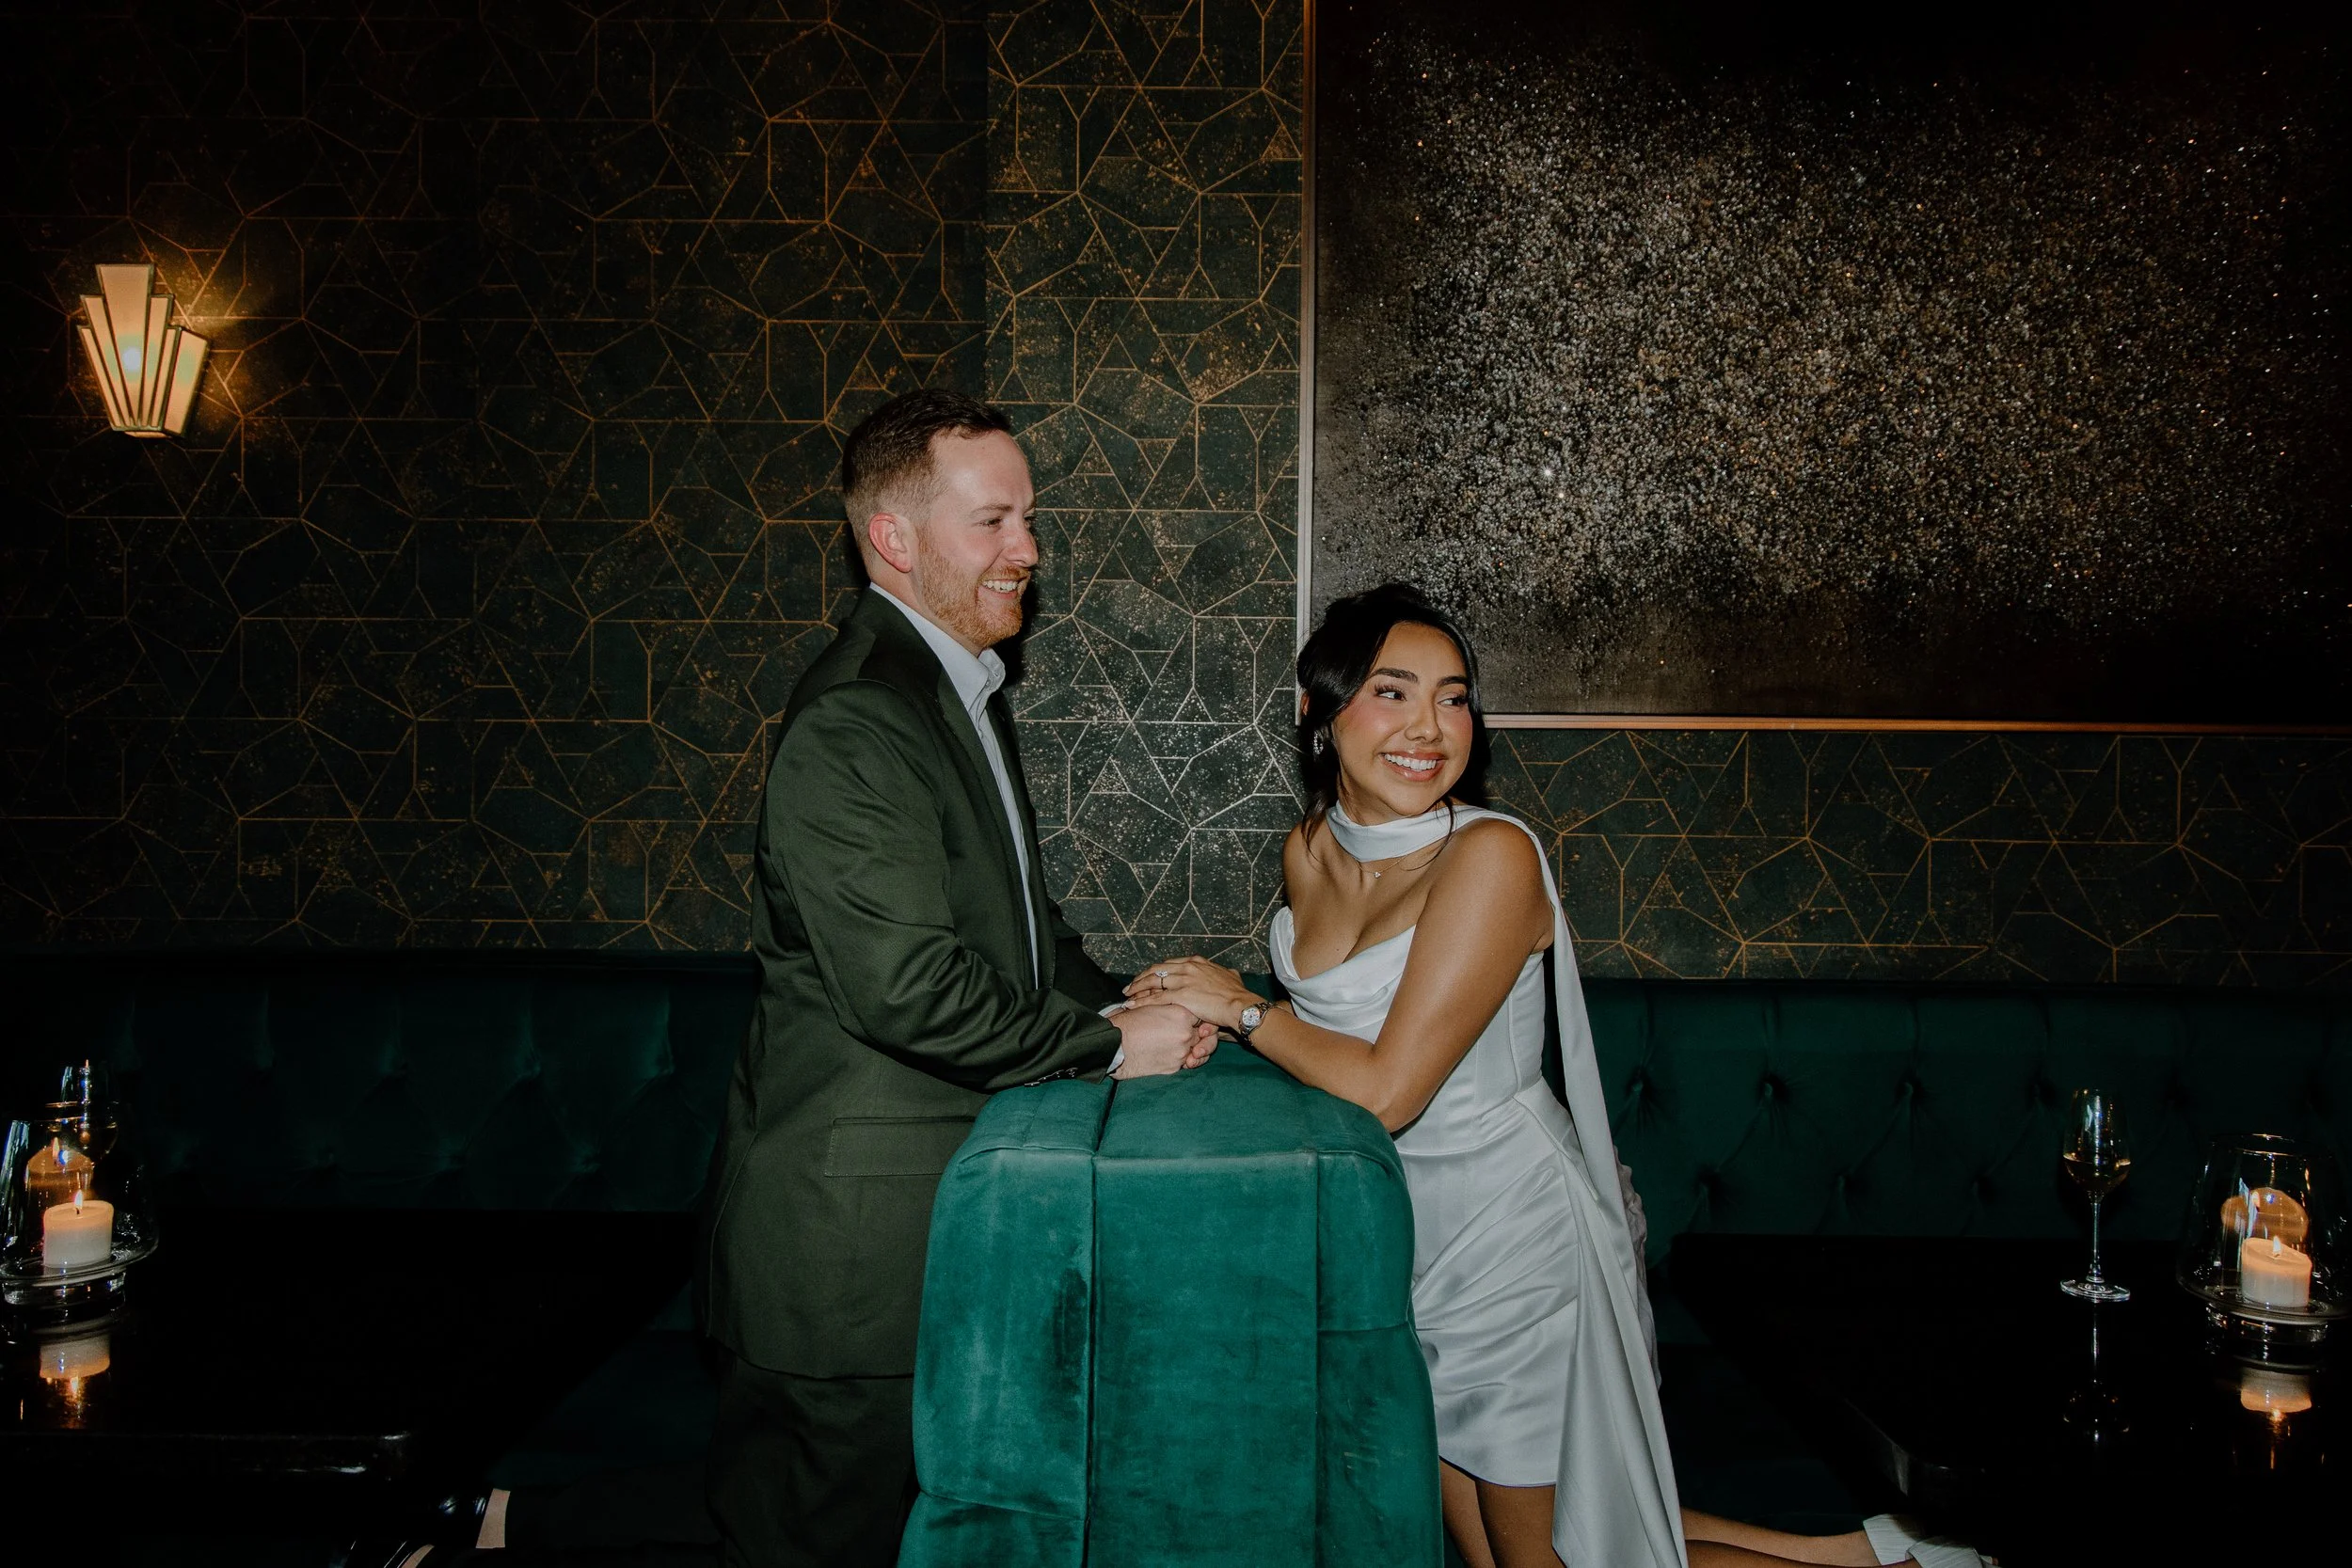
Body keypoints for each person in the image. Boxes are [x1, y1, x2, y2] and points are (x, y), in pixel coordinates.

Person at [1130, 584, 1983, 1568]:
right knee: (1533, 1548)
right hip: (1401, 1240)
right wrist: (1201, 1034)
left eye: (1453, 698)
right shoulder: (1310, 849)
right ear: (1321, 715)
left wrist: (1238, 1005)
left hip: (1513, 1242)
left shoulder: (1490, 857)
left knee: (1560, 1560)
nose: (1428, 727)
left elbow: (1387, 1088)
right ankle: (1884, 1555)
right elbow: (1324, 1059)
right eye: (1392, 692)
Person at [694, 388, 1216, 1567]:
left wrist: (1136, 999)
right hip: (847, 1255)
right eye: (993, 521)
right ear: (895, 537)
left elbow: (1028, 937)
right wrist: (1106, 1048)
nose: (1027, 548)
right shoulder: (857, 718)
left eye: (1026, 517)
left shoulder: (954, 692)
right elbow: (910, 987)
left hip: (940, 1230)